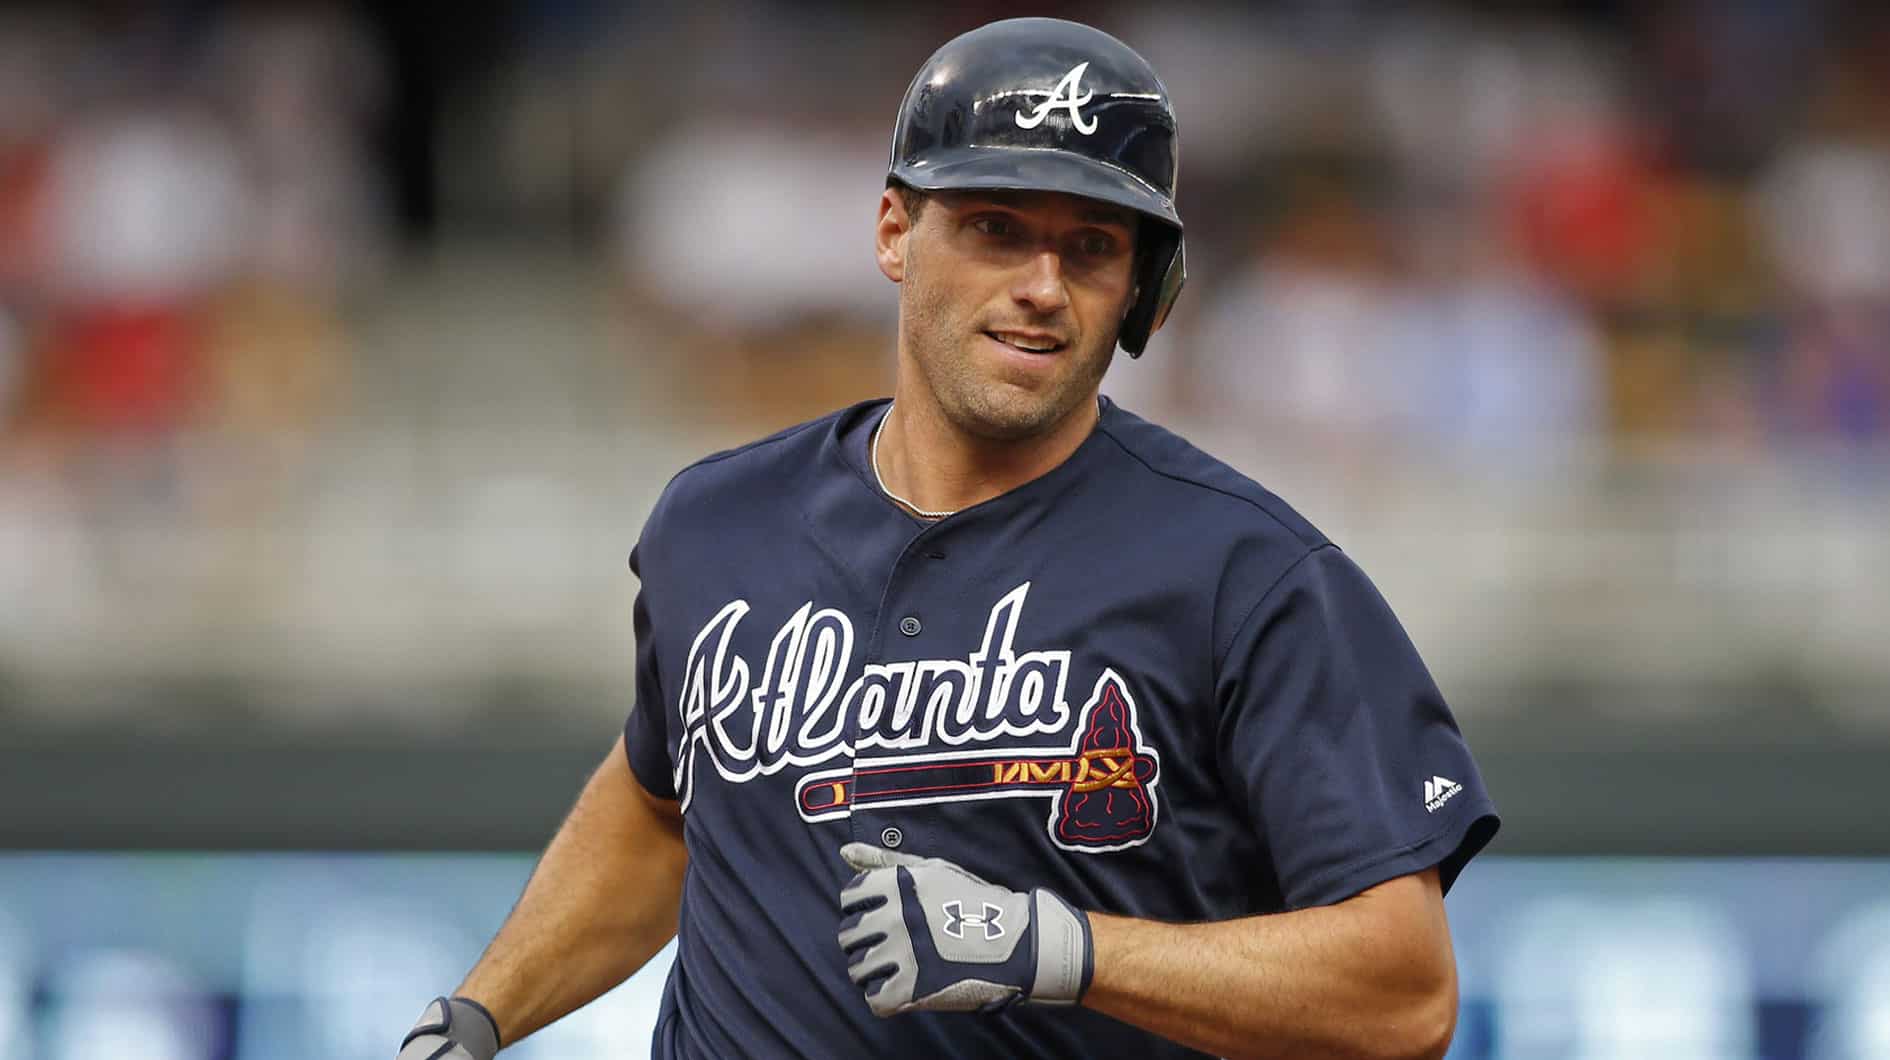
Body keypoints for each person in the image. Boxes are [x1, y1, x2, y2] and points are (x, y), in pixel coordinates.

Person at [399, 17, 1498, 1060]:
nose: (1041, 288)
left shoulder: (1247, 574)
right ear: (893, 231)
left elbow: (1405, 991)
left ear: (1141, 293)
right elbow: (659, 802)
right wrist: (484, 1012)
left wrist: (1061, 949)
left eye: (1092, 247)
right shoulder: (716, 522)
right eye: (995, 228)